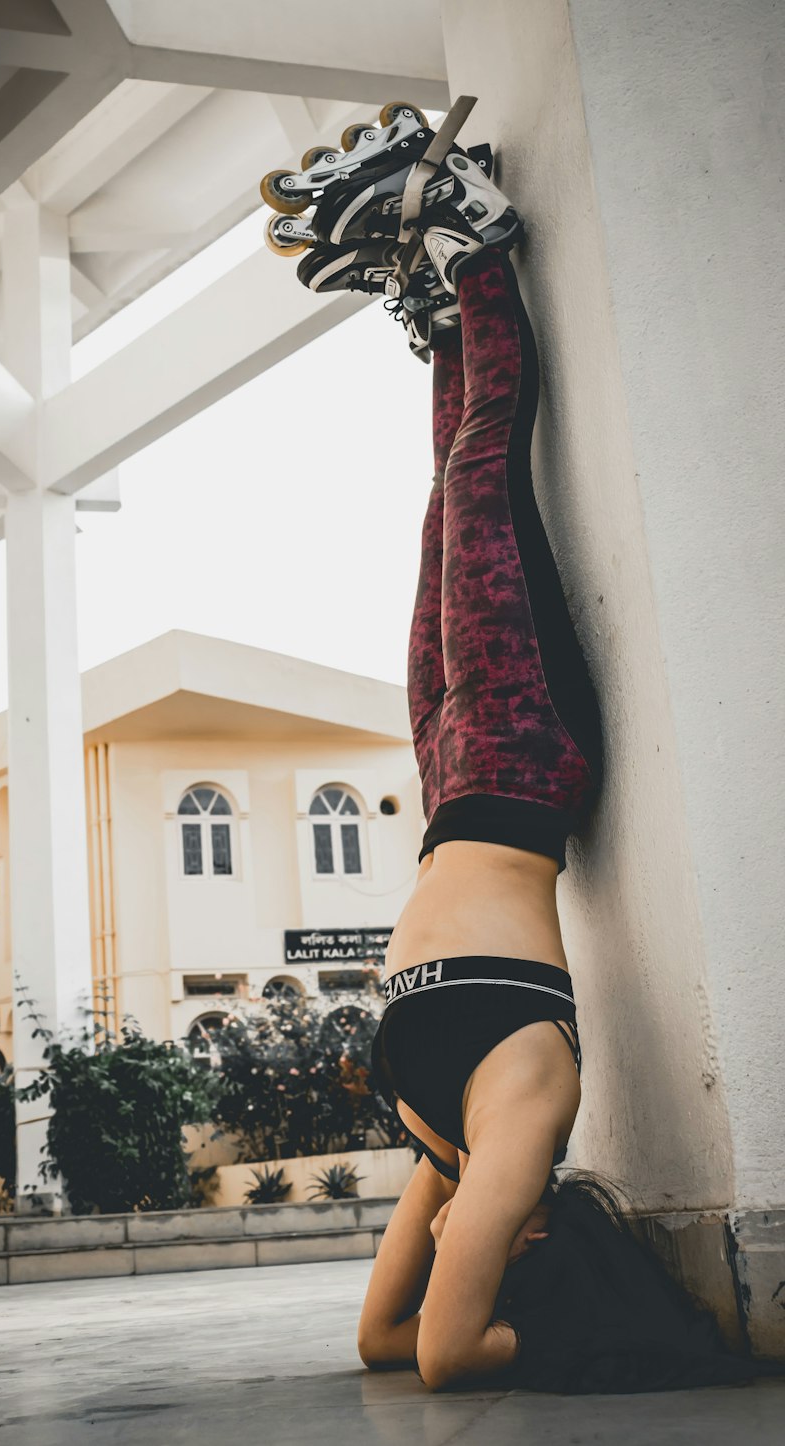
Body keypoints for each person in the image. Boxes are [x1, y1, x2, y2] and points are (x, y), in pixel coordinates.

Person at [261, 107, 776, 1392]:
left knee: (442, 505)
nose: (462, 1236)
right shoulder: (520, 1129)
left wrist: (448, 1246)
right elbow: (438, 1358)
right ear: (535, 1239)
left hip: (449, 779)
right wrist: (513, 1327)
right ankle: (478, 244)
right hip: (521, 764)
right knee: (488, 471)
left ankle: (434, 308)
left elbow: (380, 1339)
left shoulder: (448, 1156)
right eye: (494, 1244)